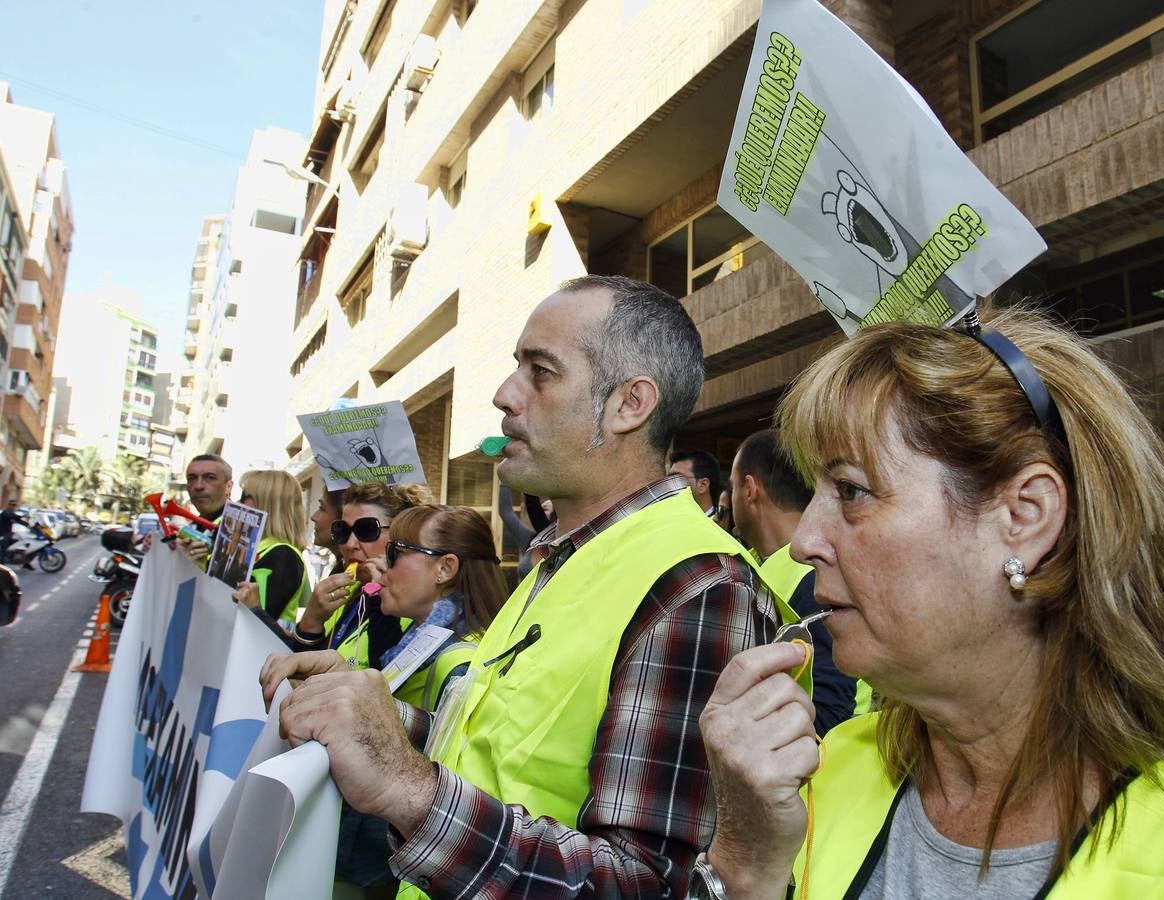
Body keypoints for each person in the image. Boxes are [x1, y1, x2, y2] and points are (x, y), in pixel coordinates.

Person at [697, 310, 1164, 898]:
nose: (807, 541)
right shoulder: (818, 776)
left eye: (851, 490)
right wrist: (745, 867)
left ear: (1025, 516)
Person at [270, 275, 783, 897]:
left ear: (630, 404)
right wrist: (376, 716)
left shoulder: (699, 585)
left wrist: (409, 788)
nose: (503, 394)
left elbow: (652, 885)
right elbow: (496, 754)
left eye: (540, 371)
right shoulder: (555, 559)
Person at [262, 503, 508, 897]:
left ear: (445, 569)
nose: (380, 562)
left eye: (395, 553)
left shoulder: (462, 662)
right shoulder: (422, 640)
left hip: (393, 866)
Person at [730, 428, 858, 734]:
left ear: (749, 490)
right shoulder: (757, 569)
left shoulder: (814, 580)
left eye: (732, 486)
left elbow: (829, 713)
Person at [290, 482, 434, 659]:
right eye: (342, 530)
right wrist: (311, 622)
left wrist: (379, 599)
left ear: (402, 535)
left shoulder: (417, 604)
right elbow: (305, 668)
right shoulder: (348, 589)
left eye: (366, 530)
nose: (350, 544)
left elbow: (383, 680)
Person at [231, 470, 311, 629]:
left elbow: (260, 619)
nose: (239, 502)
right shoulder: (258, 547)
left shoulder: (284, 555)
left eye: (246, 496)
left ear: (268, 503)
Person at [178, 453, 234, 567]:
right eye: (192, 478)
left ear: (228, 486)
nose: (198, 486)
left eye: (210, 478)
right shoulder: (193, 527)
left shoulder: (239, 529)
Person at [670, 449, 722, 516]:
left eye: (677, 479)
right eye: (668, 479)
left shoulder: (720, 524)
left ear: (703, 485)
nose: (669, 485)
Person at [0, 499, 32, 567]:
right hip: (3, 534)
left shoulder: (12, 513)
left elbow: (19, 520)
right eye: (12, 505)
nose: (13, 507)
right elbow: (13, 517)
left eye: (14, 505)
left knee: (21, 542)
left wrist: (29, 526)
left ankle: (24, 561)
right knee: (4, 548)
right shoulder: (5, 513)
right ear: (8, 505)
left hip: (9, 533)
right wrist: (23, 516)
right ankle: (1, 564)